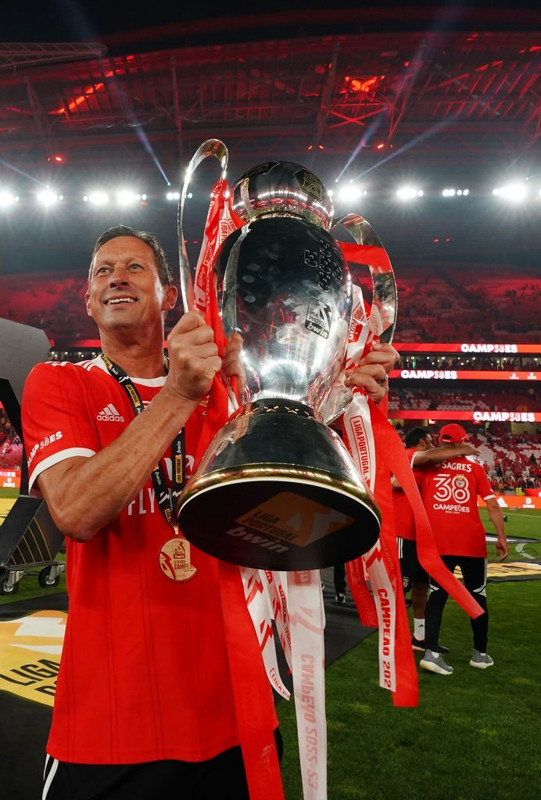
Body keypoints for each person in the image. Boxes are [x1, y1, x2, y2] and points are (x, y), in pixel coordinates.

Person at [21, 224, 398, 800]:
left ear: (170, 295)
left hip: (235, 714)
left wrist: (331, 406)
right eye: (103, 271)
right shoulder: (59, 382)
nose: (117, 278)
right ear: (88, 300)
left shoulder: (236, 395)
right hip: (110, 723)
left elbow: (293, 520)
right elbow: (75, 510)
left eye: (134, 268)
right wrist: (178, 394)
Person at [418, 423, 509, 676]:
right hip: (471, 543)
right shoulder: (475, 469)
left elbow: (398, 482)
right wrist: (501, 537)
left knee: (437, 595)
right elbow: (493, 506)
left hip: (438, 543)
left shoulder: (427, 467)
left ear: (441, 441)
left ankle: (431, 654)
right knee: (477, 596)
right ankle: (480, 655)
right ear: (462, 442)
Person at [392, 427, 479, 651]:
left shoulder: (425, 467)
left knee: (421, 586)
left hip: (421, 537)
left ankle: (419, 637)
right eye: (431, 441)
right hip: (404, 533)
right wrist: (460, 449)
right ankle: (394, 638)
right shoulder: (409, 455)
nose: (434, 446)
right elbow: (427, 458)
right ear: (422, 441)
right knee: (400, 588)